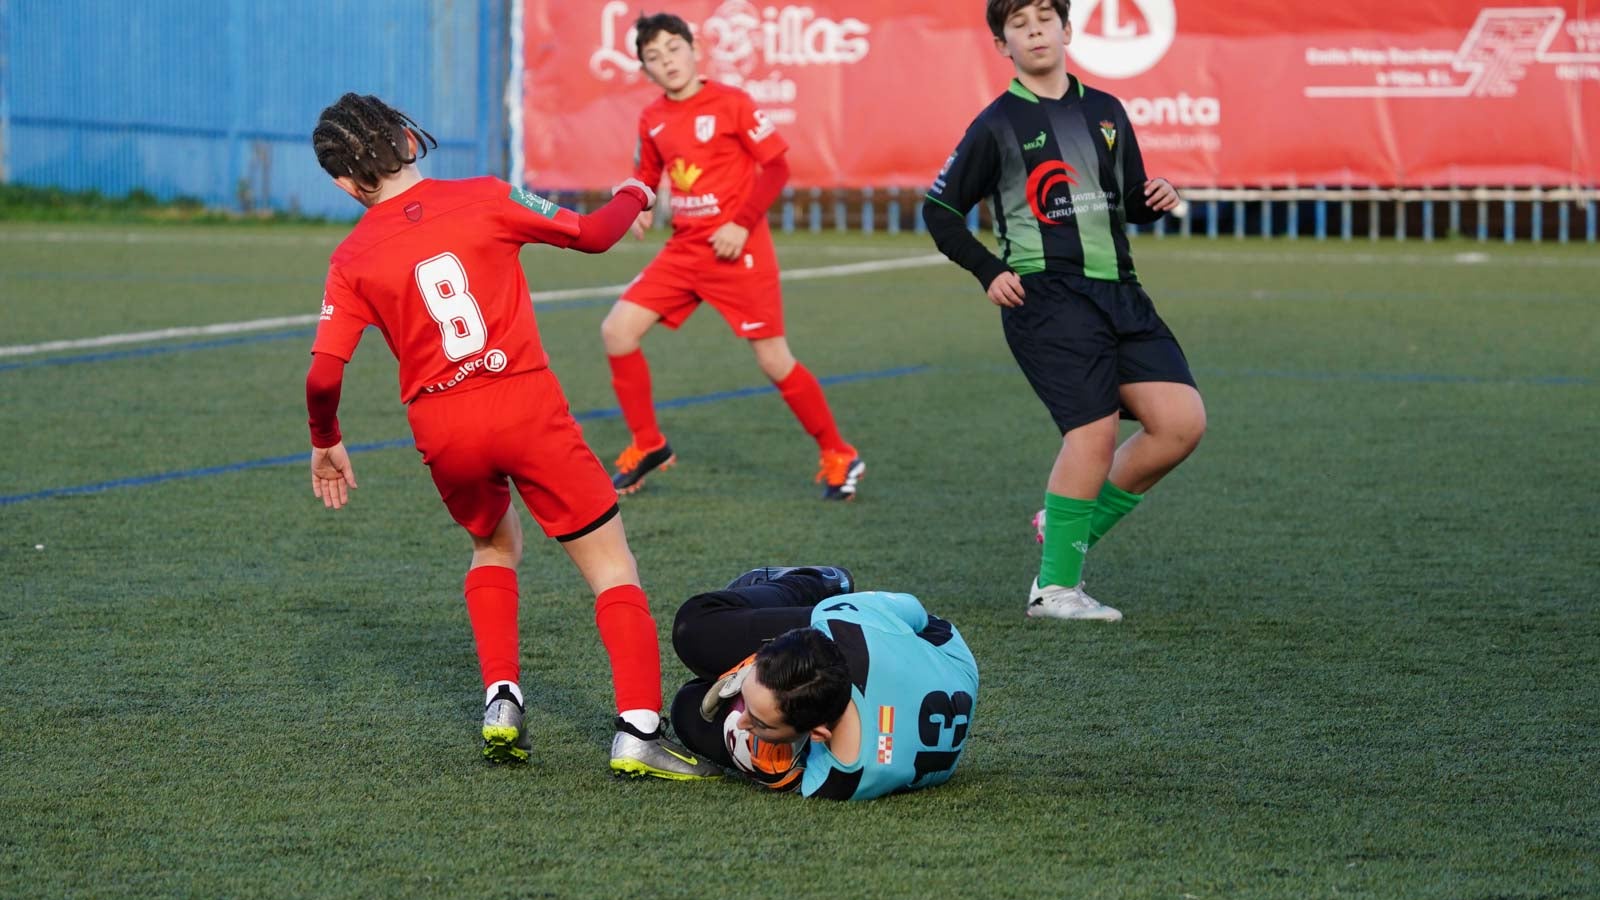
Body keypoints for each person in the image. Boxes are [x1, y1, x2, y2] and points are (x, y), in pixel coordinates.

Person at [303, 92, 717, 780]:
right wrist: (637, 189)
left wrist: (326, 437)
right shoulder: (485, 195)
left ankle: (501, 697)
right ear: (410, 140)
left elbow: (322, 374)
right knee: (612, 565)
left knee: (493, 543)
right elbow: (594, 234)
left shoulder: (350, 257)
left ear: (344, 184)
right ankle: (639, 729)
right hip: (524, 402)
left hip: (442, 423)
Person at [923, 0, 1206, 621]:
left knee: (1180, 424)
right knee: (1094, 433)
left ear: (1068, 30)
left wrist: (1154, 198)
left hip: (1121, 292)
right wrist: (988, 269)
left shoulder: (1107, 110)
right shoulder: (996, 123)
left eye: (1044, 21)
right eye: (1018, 26)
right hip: (1045, 297)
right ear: (1004, 46)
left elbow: (1128, 197)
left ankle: (1066, 520)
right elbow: (939, 211)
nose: (1034, 32)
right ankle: (1054, 591)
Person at [598, 11, 866, 502]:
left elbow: (777, 168)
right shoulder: (652, 117)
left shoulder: (732, 103)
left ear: (694, 48)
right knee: (617, 331)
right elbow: (648, 174)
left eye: (673, 49)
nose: (667, 61)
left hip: (738, 251)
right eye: (654, 57)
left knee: (773, 359)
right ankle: (648, 444)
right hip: (684, 251)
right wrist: (632, 201)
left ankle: (837, 451)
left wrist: (740, 223)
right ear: (645, 70)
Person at [667, 567, 978, 800]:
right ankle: (818, 581)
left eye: (759, 721)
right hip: (947, 654)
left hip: (926, 669)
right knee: (693, 632)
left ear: (817, 734)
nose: (744, 720)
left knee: (687, 708)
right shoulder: (846, 624)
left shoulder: (833, 779)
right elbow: (917, 612)